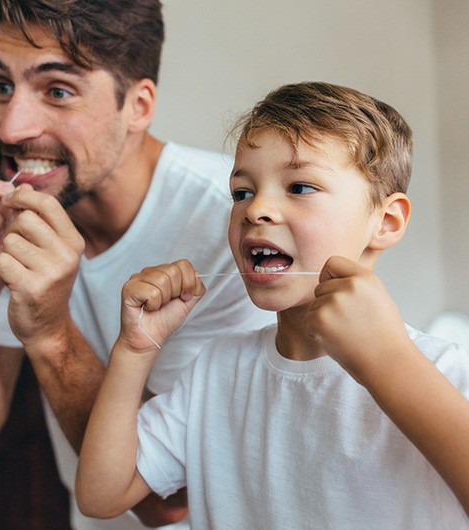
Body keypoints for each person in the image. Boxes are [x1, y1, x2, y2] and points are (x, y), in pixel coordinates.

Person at [0, 1, 272, 529]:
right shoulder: (3, 213)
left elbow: (169, 501)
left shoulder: (238, 228)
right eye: (1, 86)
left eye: (57, 90)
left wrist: (50, 333)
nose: (12, 129)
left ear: (138, 105)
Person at [75, 82, 469, 529]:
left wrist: (387, 359)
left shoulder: (448, 373)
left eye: (299, 187)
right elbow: (101, 494)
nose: (256, 208)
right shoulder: (217, 370)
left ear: (386, 221)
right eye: (241, 192)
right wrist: (134, 350)